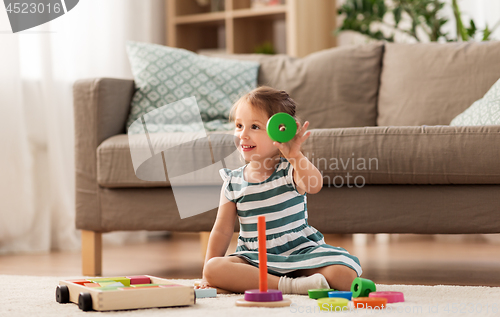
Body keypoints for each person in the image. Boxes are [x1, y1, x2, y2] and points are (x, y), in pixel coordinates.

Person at [196, 86, 362, 294]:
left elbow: (314, 185)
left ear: (280, 131)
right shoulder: (232, 181)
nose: (243, 135)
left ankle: (285, 282)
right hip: (254, 259)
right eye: (239, 126)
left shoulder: (290, 170)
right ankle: (290, 286)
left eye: (255, 127)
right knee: (214, 268)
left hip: (300, 254)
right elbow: (222, 230)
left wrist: (296, 156)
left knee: (344, 275)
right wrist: (206, 275)